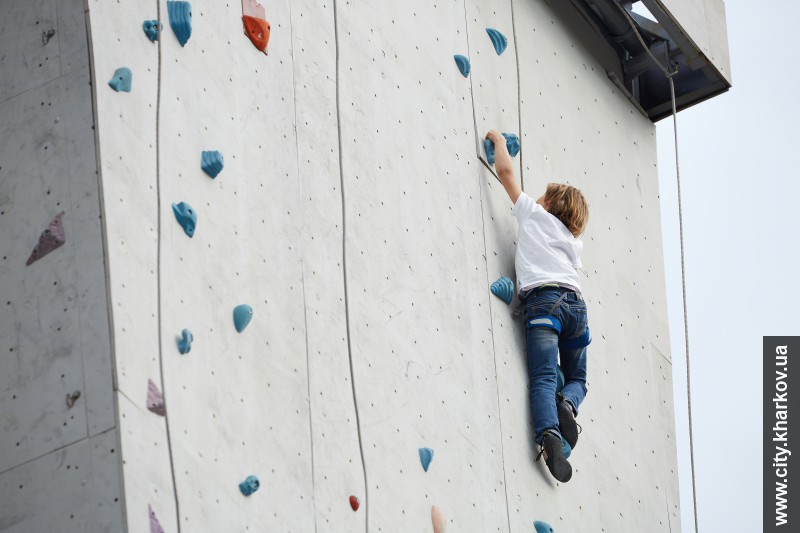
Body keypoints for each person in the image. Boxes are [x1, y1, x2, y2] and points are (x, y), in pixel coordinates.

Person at [485, 130, 591, 483]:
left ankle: (549, 435)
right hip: (576, 305)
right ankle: (569, 405)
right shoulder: (572, 243)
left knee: (544, 377)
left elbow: (506, 174)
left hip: (544, 302)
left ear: (547, 203)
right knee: (577, 378)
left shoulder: (534, 214)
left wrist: (499, 143)